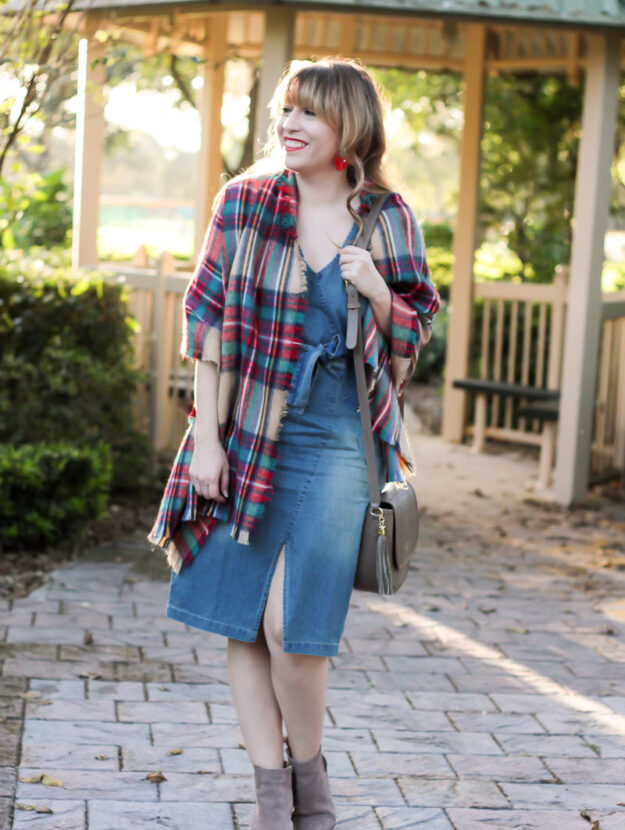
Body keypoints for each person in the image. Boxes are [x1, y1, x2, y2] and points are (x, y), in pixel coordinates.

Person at [148, 57, 440, 829]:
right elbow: (207, 324)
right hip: (245, 428)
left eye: (309, 112)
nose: (290, 124)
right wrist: (204, 439)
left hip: (340, 434)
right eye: (285, 109)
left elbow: (410, 343)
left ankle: (311, 779)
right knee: (241, 616)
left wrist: (379, 291)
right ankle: (277, 800)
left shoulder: (386, 217)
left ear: (349, 126)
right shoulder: (244, 203)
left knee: (293, 628)